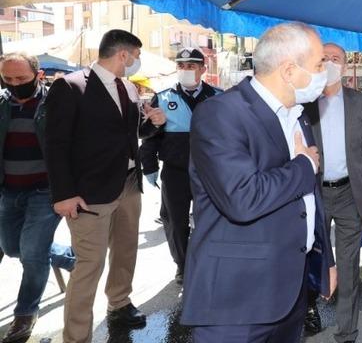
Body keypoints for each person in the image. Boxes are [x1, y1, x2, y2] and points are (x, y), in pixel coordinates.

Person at [182, 23, 336, 342]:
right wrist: (304, 164)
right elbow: (243, 198)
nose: (327, 70)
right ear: (290, 70)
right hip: (237, 301)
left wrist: (324, 262)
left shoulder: (298, 115)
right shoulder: (221, 113)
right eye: (321, 63)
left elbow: (309, 201)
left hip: (290, 292)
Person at [45, 30, 166, 343]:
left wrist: (151, 124)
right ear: (123, 55)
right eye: (136, 56)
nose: (137, 63)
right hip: (89, 193)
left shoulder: (127, 87)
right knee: (90, 265)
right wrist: (63, 194)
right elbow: (55, 144)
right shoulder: (70, 86)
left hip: (128, 185)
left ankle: (120, 303)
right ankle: (76, 337)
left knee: (126, 252)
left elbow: (129, 134)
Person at [302, 43, 362, 342]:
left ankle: (347, 334)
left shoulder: (360, 102)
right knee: (308, 257)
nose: (331, 63)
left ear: (345, 66)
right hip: (313, 194)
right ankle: (307, 311)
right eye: (325, 58)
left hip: (349, 194)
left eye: (337, 59)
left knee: (348, 269)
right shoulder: (304, 102)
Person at [0, 53, 76, 343]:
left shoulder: (55, 105)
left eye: (21, 78)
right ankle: (70, 258)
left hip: (46, 191)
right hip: (9, 190)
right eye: (8, 79)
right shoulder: (2, 104)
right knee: (11, 247)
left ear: (38, 75)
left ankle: (25, 315)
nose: (14, 84)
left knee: (31, 254)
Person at [139, 48, 221, 284]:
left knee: (211, 218)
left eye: (191, 66)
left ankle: (209, 261)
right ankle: (184, 266)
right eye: (182, 66)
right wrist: (150, 166)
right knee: (175, 220)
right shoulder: (163, 97)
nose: (185, 71)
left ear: (202, 69)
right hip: (176, 171)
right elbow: (150, 136)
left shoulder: (217, 96)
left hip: (210, 173)